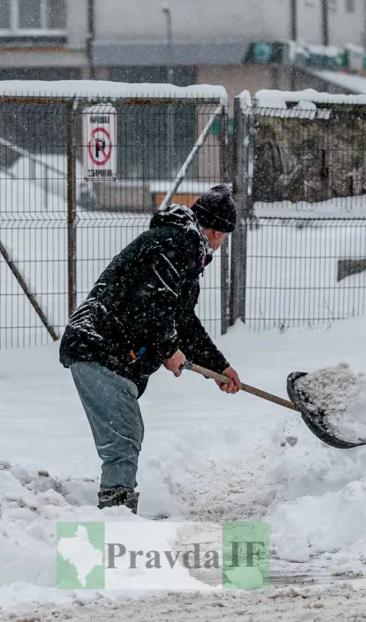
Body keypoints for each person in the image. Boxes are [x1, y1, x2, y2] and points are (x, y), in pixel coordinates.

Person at [59, 184, 243, 514]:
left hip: (109, 349)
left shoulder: (181, 247)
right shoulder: (176, 244)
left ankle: (117, 511)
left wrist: (218, 367)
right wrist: (167, 349)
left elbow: (181, 319)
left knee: (127, 433)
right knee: (123, 437)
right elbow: (153, 304)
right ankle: (115, 515)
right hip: (97, 345)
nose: (221, 242)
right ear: (216, 231)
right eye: (223, 235)